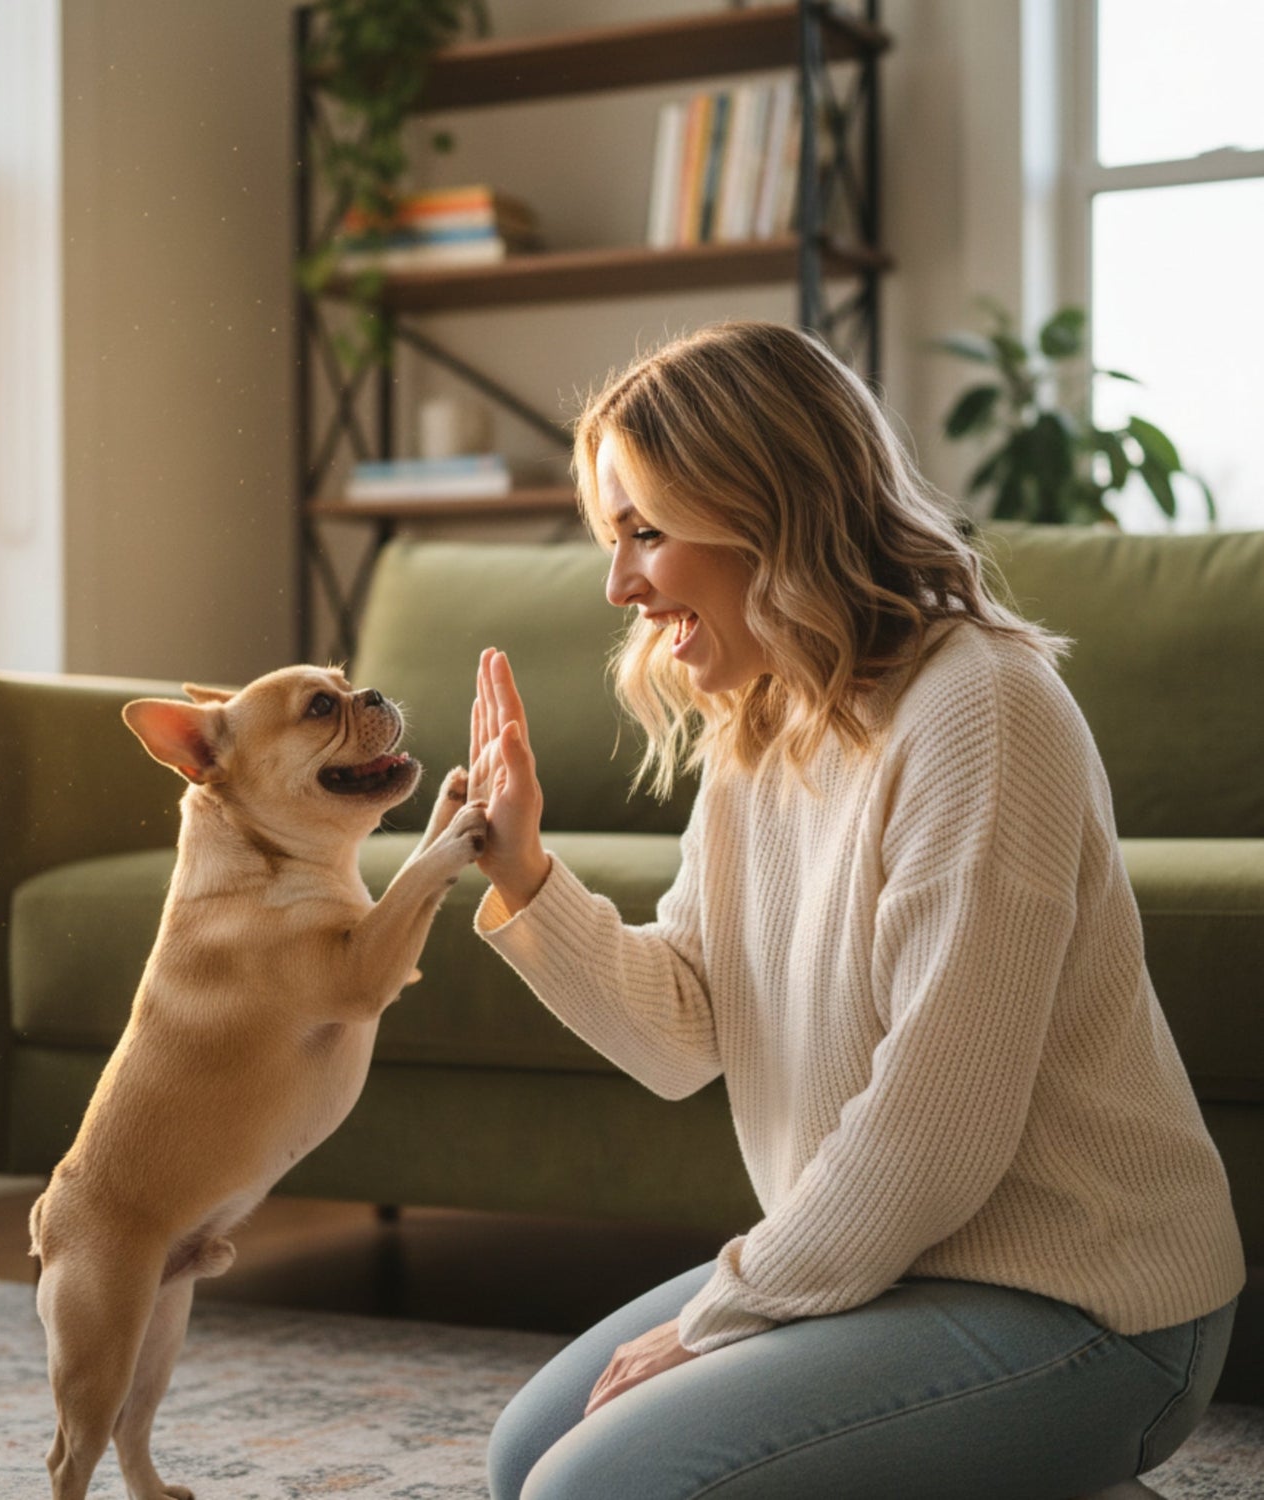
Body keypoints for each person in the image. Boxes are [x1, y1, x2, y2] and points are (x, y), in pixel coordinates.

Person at [464, 322, 1244, 1500]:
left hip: (1090, 1306)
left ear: (763, 508)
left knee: (597, 1491)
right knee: (526, 1457)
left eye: (646, 532)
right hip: (901, 1272)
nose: (619, 583)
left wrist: (726, 1312)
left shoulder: (982, 708)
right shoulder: (765, 723)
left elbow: (935, 1131)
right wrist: (520, 868)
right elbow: (684, 1034)